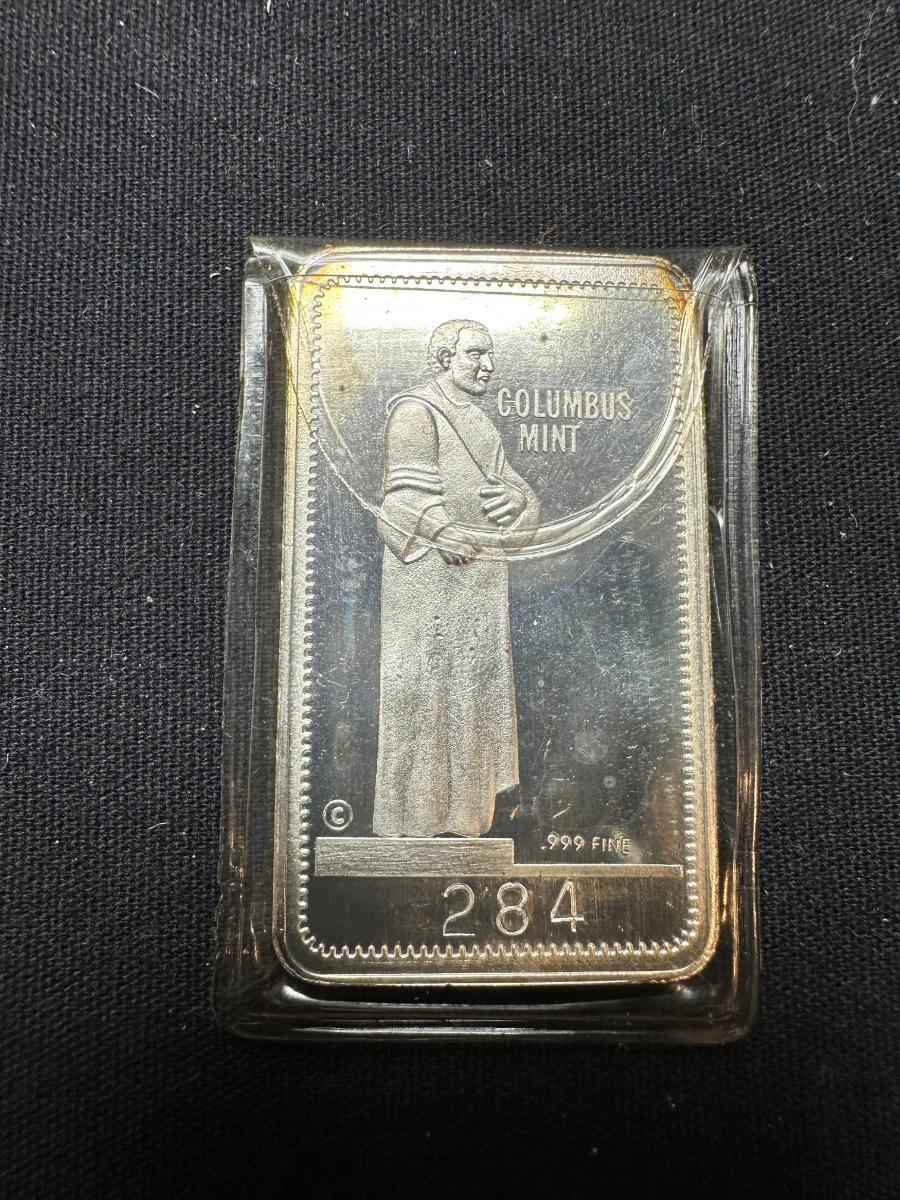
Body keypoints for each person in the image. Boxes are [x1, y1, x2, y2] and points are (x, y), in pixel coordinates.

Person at [373, 319, 540, 837]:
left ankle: (466, 825)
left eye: (490, 354)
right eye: (475, 354)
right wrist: (442, 531)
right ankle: (413, 825)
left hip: (479, 585)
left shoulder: (481, 423)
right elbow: (399, 502)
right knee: (426, 696)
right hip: (429, 587)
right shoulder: (415, 411)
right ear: (445, 358)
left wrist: (519, 502)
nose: (488, 365)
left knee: (472, 695)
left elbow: (515, 491)